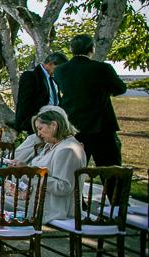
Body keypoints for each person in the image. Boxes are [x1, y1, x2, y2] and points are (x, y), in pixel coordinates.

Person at [53, 34, 127, 166]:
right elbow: (120, 88)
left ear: (72, 50)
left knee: (73, 169)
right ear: (92, 49)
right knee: (110, 167)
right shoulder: (102, 68)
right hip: (100, 126)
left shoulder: (60, 70)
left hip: (73, 124)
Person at [4, 106, 87, 223]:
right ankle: (0, 238)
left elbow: (64, 187)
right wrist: (24, 168)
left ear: (54, 125)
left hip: (55, 207)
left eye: (40, 128)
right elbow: (41, 170)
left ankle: (4, 237)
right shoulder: (52, 145)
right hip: (40, 199)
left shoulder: (67, 149)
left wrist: (31, 174)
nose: (38, 134)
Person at [14, 52, 68, 135]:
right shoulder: (31, 76)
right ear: (51, 64)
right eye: (59, 68)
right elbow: (25, 103)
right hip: (36, 125)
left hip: (53, 124)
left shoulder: (54, 80)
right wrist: (35, 123)